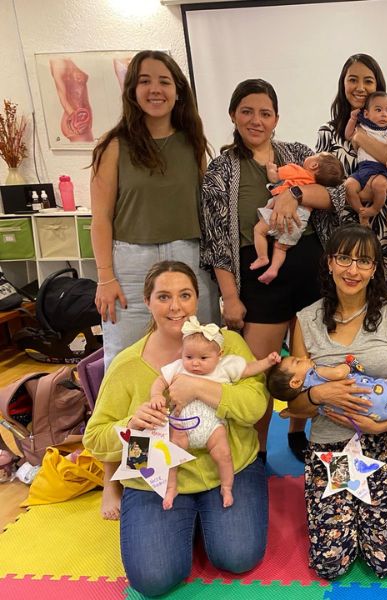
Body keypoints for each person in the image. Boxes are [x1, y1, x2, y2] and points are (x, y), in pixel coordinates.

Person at [83, 261, 268, 597]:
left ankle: (201, 520)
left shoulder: (224, 343)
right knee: (153, 580)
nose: (175, 307)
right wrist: (130, 424)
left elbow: (255, 406)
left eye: (185, 295)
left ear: (197, 299)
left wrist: (199, 388)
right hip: (157, 480)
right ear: (147, 301)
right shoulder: (128, 364)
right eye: (163, 296)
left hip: (228, 466)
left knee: (238, 557)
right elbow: (94, 437)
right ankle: (185, 522)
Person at [91, 50, 219, 519]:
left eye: (164, 80)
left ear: (178, 90)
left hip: (189, 256)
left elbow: (209, 209)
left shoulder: (192, 142)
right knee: (124, 368)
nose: (155, 89)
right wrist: (105, 277)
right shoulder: (114, 146)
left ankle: (196, 454)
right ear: (133, 90)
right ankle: (115, 478)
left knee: (199, 355)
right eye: (145, 81)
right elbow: (100, 218)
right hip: (130, 261)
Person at [279, 224, 387, 579]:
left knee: (386, 561)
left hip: (383, 443)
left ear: (374, 268)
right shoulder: (306, 320)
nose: (353, 270)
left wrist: (386, 424)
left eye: (364, 261)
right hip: (330, 449)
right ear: (329, 263)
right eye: (344, 259)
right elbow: (296, 405)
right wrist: (318, 394)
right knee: (331, 564)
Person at [202, 79, 337, 460]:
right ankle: (255, 451)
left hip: (310, 269)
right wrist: (230, 297)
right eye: (247, 111)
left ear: (276, 118)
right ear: (233, 115)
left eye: (265, 113)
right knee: (257, 372)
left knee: (309, 364)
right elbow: (215, 239)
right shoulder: (221, 169)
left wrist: (295, 193)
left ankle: (298, 430)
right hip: (260, 277)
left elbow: (335, 196)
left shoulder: (299, 154)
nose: (256, 120)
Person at [150, 316, 281, 510]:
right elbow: (161, 380)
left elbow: (248, 369)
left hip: (213, 427)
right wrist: (155, 395)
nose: (195, 363)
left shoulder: (224, 367)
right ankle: (171, 488)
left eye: (203, 358)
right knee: (171, 455)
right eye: (189, 357)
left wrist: (267, 362)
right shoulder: (178, 367)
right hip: (182, 426)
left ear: (219, 354)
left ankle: (226, 487)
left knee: (224, 454)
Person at [316, 53, 387, 303]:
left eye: (368, 81)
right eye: (353, 80)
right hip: (344, 243)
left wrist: (361, 138)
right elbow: (322, 184)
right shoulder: (328, 131)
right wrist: (359, 194)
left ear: (378, 85)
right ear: (343, 83)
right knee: (346, 313)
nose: (360, 87)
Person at [251, 152, 345, 284]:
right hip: (300, 222)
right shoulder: (317, 185)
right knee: (280, 247)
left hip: (282, 214)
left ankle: (262, 257)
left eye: (315, 155)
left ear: (314, 165)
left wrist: (270, 167)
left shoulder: (296, 170)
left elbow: (274, 178)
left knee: (259, 230)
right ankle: (273, 269)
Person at [265, 353, 387, 422]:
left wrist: (293, 412)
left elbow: (309, 413)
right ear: (296, 382)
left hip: (374, 415)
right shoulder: (315, 373)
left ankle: (290, 413)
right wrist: (348, 365)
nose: (303, 358)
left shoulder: (314, 402)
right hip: (378, 394)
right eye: (297, 362)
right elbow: (339, 373)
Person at [343, 91, 387, 225]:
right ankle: (361, 212)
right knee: (349, 186)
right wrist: (353, 119)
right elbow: (348, 135)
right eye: (378, 110)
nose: (384, 114)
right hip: (362, 169)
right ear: (366, 114)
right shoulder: (363, 126)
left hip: (379, 169)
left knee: (380, 185)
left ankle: (374, 209)